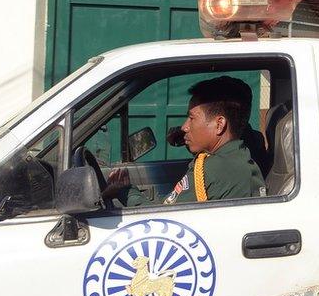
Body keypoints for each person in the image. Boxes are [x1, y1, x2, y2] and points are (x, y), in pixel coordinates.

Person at [107, 76, 266, 205]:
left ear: (219, 124)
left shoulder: (213, 169)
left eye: (191, 118)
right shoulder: (242, 152)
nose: (184, 126)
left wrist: (126, 191)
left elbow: (162, 220)